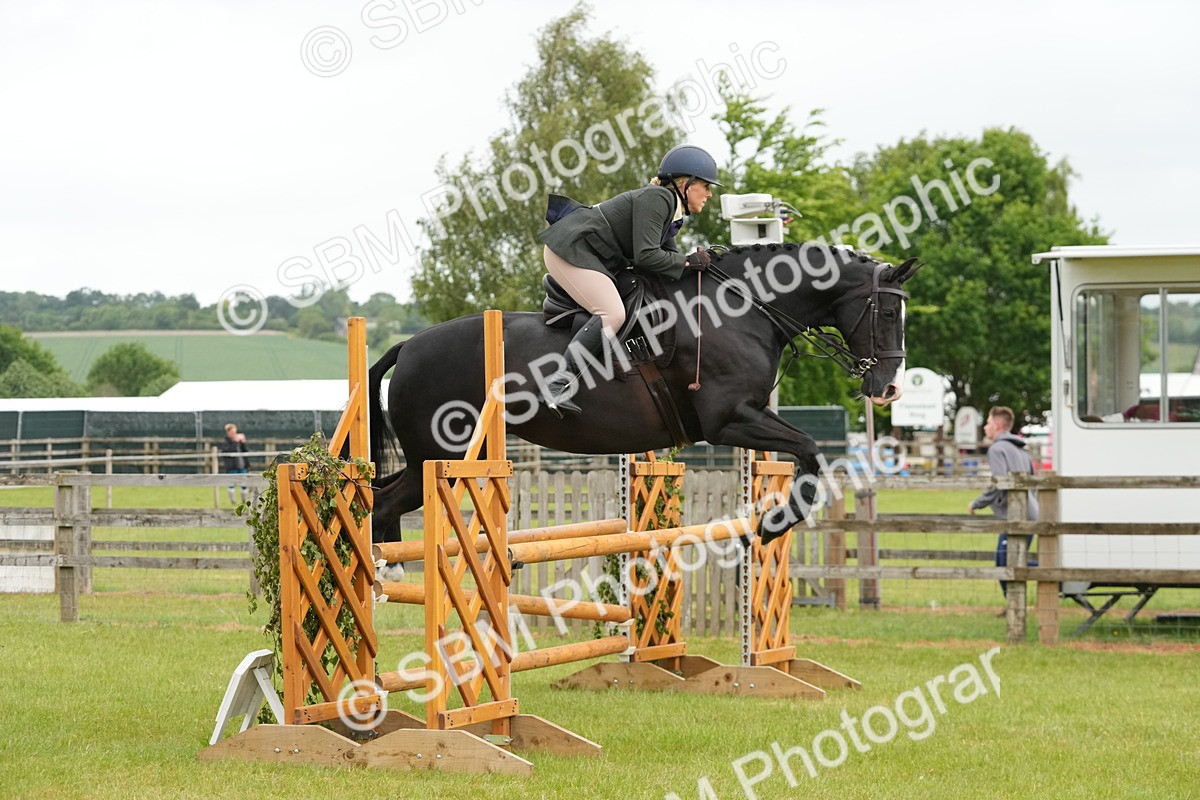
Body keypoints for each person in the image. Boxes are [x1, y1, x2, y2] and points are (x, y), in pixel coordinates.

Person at [536, 144, 721, 418]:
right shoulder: (659, 198)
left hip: (594, 255)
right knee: (612, 313)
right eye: (705, 186)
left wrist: (700, 264)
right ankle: (557, 384)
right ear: (685, 184)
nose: (709, 194)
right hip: (571, 249)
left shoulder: (672, 212)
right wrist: (687, 261)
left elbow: (667, 261)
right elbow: (647, 256)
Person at [968, 406, 1040, 598]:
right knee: (1012, 561)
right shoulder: (1022, 450)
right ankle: (1014, 605)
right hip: (1032, 513)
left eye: (988, 423)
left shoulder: (997, 449)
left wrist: (977, 503)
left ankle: (1053, 571)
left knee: (1005, 563)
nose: (985, 427)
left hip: (1016, 516)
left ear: (998, 426)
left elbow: (999, 484)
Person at [220, 423, 250, 505]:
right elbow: (229, 451)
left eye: (235, 432)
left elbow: (246, 451)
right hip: (232, 466)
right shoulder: (226, 442)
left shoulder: (239, 441)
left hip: (242, 466)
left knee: (244, 483)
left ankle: (244, 500)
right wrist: (235, 442)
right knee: (231, 483)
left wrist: (243, 442)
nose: (234, 434)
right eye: (232, 432)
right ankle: (233, 501)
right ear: (228, 432)